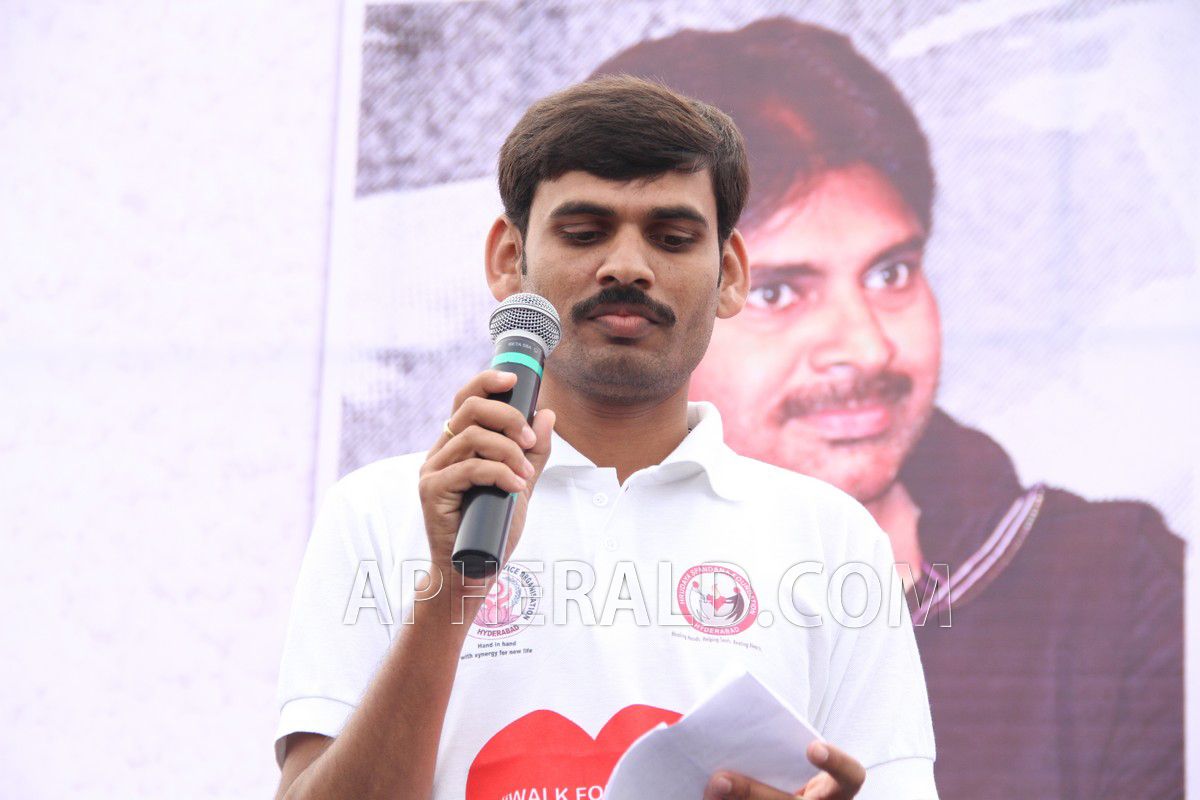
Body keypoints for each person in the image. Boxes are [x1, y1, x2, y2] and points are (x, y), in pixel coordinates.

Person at [273, 76, 939, 799]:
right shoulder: (378, 512)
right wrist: (452, 588)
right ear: (507, 259)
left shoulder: (832, 538)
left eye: (673, 237)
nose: (627, 266)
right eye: (585, 233)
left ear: (731, 275)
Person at [588, 17, 1185, 800]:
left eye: (892, 272)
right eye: (777, 292)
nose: (867, 347)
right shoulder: (498, 593)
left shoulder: (1114, 585)